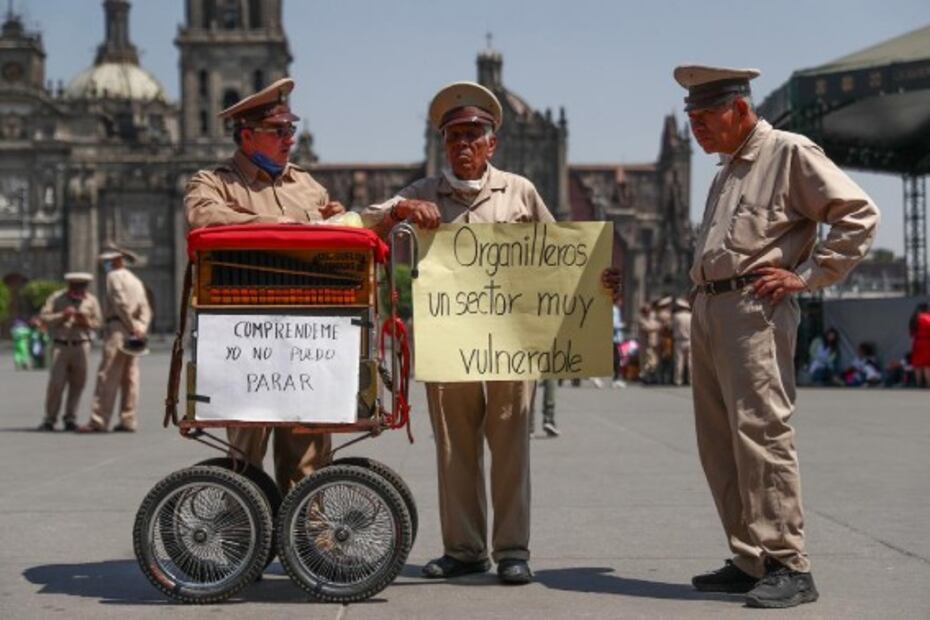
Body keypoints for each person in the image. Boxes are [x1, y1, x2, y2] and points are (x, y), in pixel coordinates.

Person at [363, 81, 619, 585]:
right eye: (453, 136)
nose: (463, 144)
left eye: (473, 136)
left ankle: (512, 550)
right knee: (454, 447)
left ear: (491, 144)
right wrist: (399, 211)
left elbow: (561, 255)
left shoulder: (520, 191)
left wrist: (598, 279)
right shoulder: (421, 193)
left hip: (512, 341)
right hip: (449, 339)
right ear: (442, 144)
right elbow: (366, 225)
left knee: (510, 445)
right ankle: (464, 549)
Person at [675, 64, 879, 608]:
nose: (696, 128)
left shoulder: (787, 152)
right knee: (719, 442)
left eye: (705, 116)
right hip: (712, 307)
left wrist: (808, 276)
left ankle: (789, 562)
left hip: (753, 310)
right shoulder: (728, 169)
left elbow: (859, 214)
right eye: (690, 118)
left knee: (762, 435)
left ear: (741, 109)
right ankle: (750, 557)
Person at [183, 77, 346, 493]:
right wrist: (279, 226)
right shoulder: (212, 182)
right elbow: (204, 218)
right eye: (278, 131)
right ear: (247, 135)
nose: (289, 138)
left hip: (306, 338)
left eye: (291, 129)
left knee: (307, 459)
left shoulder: (308, 186)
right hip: (246, 340)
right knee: (244, 456)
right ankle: (241, 526)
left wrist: (334, 222)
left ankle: (308, 530)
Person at [77, 249, 152, 433]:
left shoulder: (113, 276)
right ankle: (128, 419)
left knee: (108, 374)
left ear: (117, 261)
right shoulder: (136, 280)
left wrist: (131, 325)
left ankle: (99, 420)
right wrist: (141, 328)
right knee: (130, 377)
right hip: (135, 332)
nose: (106, 265)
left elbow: (120, 302)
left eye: (108, 261)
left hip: (119, 328)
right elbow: (145, 308)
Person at [38, 273, 102, 431]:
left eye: (82, 286)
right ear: (69, 285)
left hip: (81, 346)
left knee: (78, 384)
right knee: (56, 384)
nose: (79, 289)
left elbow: (99, 323)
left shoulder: (91, 300)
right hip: (60, 346)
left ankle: (70, 417)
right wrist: (62, 315)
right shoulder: (57, 298)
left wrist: (85, 321)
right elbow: (44, 317)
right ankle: (50, 418)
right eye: (76, 285)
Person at [636, 304, 660, 384]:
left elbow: (657, 324)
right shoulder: (641, 319)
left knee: (654, 360)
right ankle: (644, 376)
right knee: (646, 361)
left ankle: (649, 376)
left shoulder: (651, 319)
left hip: (652, 343)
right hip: (645, 344)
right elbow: (647, 328)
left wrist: (656, 326)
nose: (648, 313)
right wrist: (656, 327)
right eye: (646, 311)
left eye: (649, 311)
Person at [908, 303, 930, 387]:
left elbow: (911, 334)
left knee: (918, 365)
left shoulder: (914, 318)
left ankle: (919, 383)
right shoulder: (927, 317)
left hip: (916, 343)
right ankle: (928, 383)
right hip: (927, 342)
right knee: (927, 365)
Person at [671, 298, 692, 386]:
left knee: (679, 361)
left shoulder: (676, 316)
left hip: (679, 341)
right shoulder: (690, 315)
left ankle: (678, 380)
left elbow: (671, 327)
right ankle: (691, 380)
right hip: (689, 340)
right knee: (690, 361)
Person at [611, 302, 627, 388]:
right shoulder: (614, 310)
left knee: (616, 357)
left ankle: (616, 378)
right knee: (616, 358)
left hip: (615, 338)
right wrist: (622, 325)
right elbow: (614, 324)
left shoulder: (615, 309)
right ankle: (616, 379)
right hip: (614, 337)